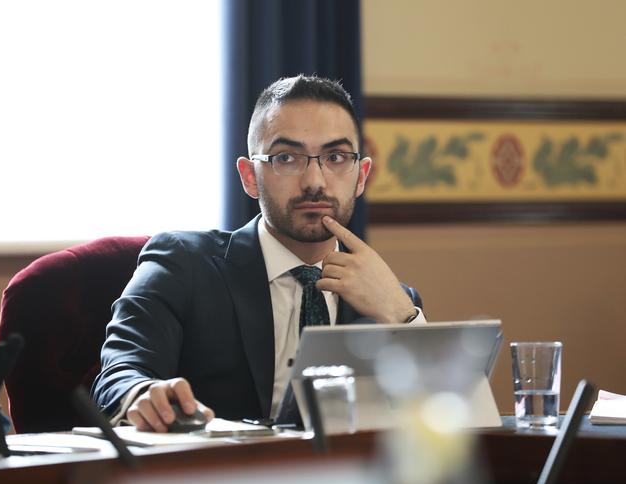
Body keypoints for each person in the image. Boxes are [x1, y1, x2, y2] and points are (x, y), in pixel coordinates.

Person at [92, 75, 426, 432]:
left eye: (335, 157)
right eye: (286, 157)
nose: (315, 181)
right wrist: (144, 393)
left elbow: (439, 424)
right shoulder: (182, 263)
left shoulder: (392, 300)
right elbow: (119, 375)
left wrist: (404, 316)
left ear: (361, 177)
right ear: (250, 176)